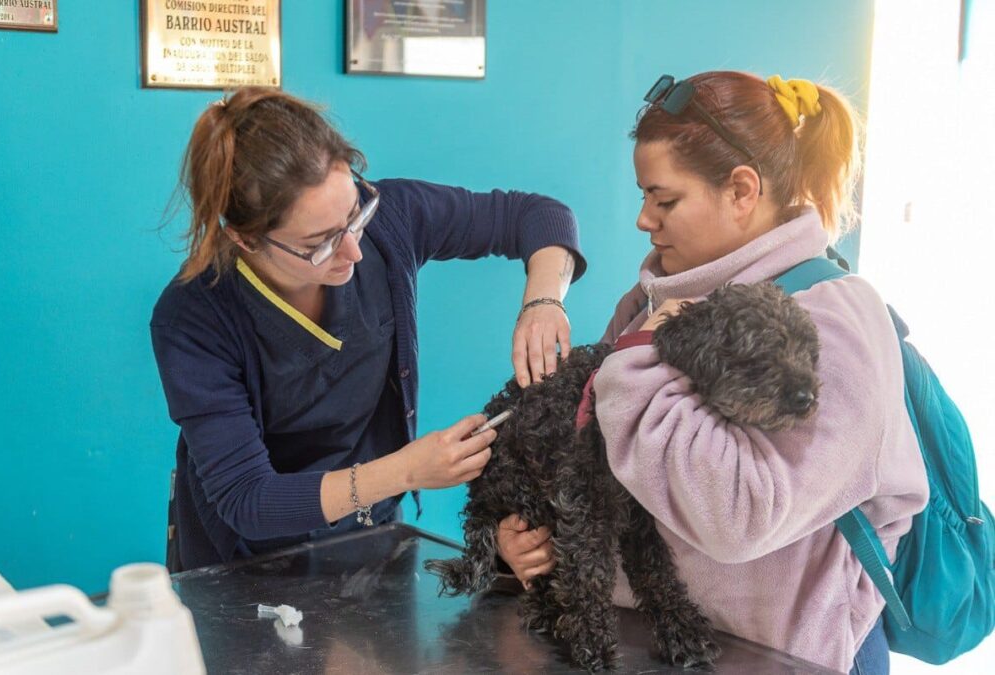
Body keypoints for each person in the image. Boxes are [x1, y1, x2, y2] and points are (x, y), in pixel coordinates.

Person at [497, 71, 928, 674]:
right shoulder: (651, 301)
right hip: (649, 645)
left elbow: (739, 517)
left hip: (784, 659)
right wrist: (529, 539)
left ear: (742, 190)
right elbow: (597, 462)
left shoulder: (837, 322)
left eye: (665, 200)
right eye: (643, 196)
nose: (644, 219)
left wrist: (637, 358)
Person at [150, 87, 586, 572]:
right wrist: (406, 471)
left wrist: (543, 302)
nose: (354, 251)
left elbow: (541, 216)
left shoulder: (392, 220)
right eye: (319, 244)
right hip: (243, 566)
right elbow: (249, 500)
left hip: (371, 539)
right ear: (245, 239)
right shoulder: (193, 319)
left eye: (355, 214)